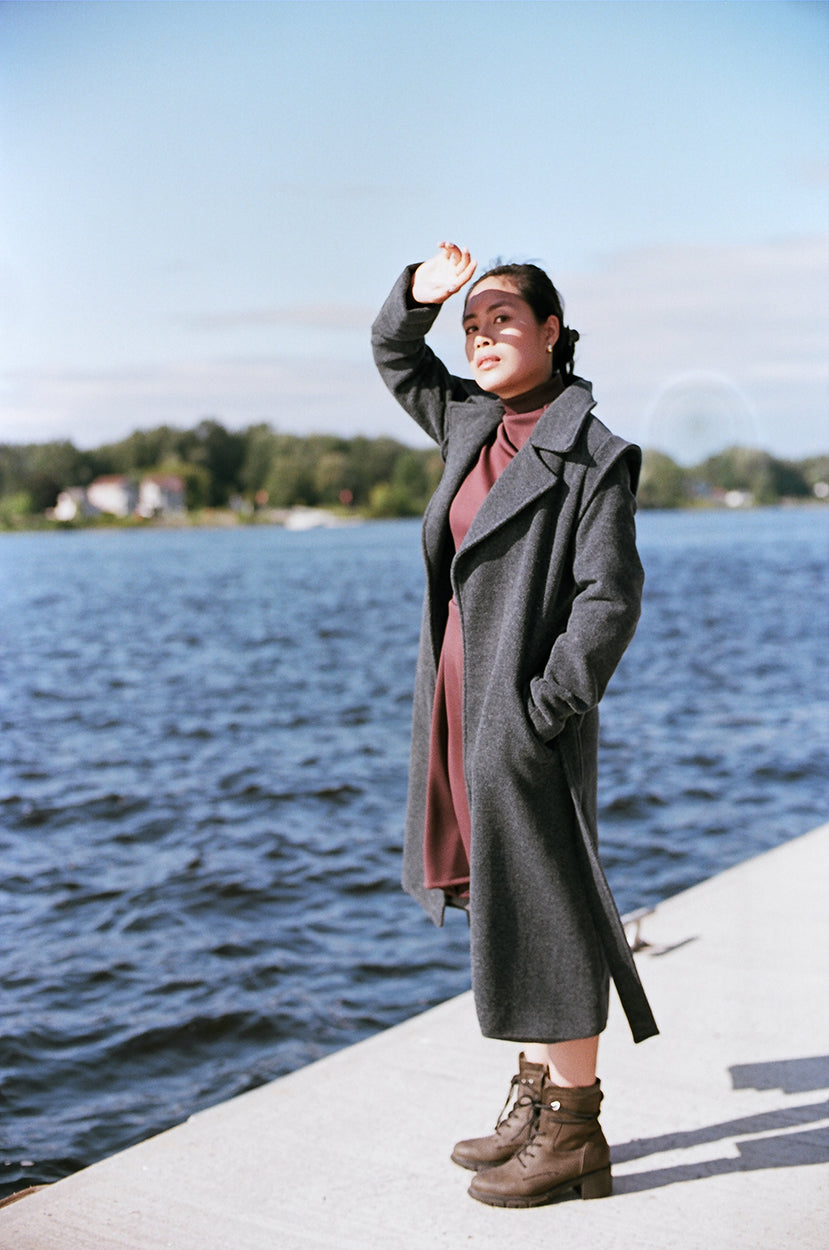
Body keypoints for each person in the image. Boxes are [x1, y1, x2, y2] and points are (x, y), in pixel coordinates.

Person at [371, 242, 658, 1209]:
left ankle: (574, 1129)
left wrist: (542, 709)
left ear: (549, 331)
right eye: (472, 323)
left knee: (551, 908)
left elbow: (607, 602)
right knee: (508, 901)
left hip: (522, 716)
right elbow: (396, 358)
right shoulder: (467, 420)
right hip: (456, 707)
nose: (483, 336)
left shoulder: (592, 453)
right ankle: (534, 1104)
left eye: (503, 319)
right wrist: (419, 294)